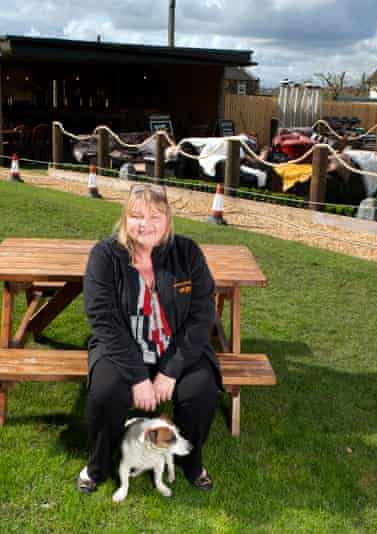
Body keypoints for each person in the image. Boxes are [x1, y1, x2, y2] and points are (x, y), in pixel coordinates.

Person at [77, 183, 221, 494]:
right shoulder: (105, 255)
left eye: (155, 216)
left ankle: (192, 461)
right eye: (137, 216)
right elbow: (103, 318)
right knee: (106, 392)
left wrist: (170, 371)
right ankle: (98, 465)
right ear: (124, 219)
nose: (146, 224)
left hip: (177, 350)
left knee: (201, 391)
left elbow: (202, 314)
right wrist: (138, 377)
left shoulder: (188, 252)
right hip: (123, 350)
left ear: (168, 220)